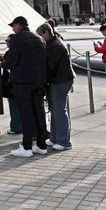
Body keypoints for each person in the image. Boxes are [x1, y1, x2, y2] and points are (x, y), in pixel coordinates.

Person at [4, 16, 48, 158]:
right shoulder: (38, 38)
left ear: (19, 25)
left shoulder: (18, 38)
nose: (12, 28)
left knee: (26, 114)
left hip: (23, 83)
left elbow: (11, 61)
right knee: (39, 113)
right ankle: (41, 145)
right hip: (38, 82)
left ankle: (26, 146)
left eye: (13, 25)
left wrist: (2, 63)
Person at [39, 22, 75, 151]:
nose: (40, 39)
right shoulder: (53, 43)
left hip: (60, 80)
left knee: (59, 110)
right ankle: (55, 137)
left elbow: (50, 66)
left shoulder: (55, 46)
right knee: (55, 110)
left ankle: (64, 141)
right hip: (59, 80)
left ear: (47, 33)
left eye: (41, 35)